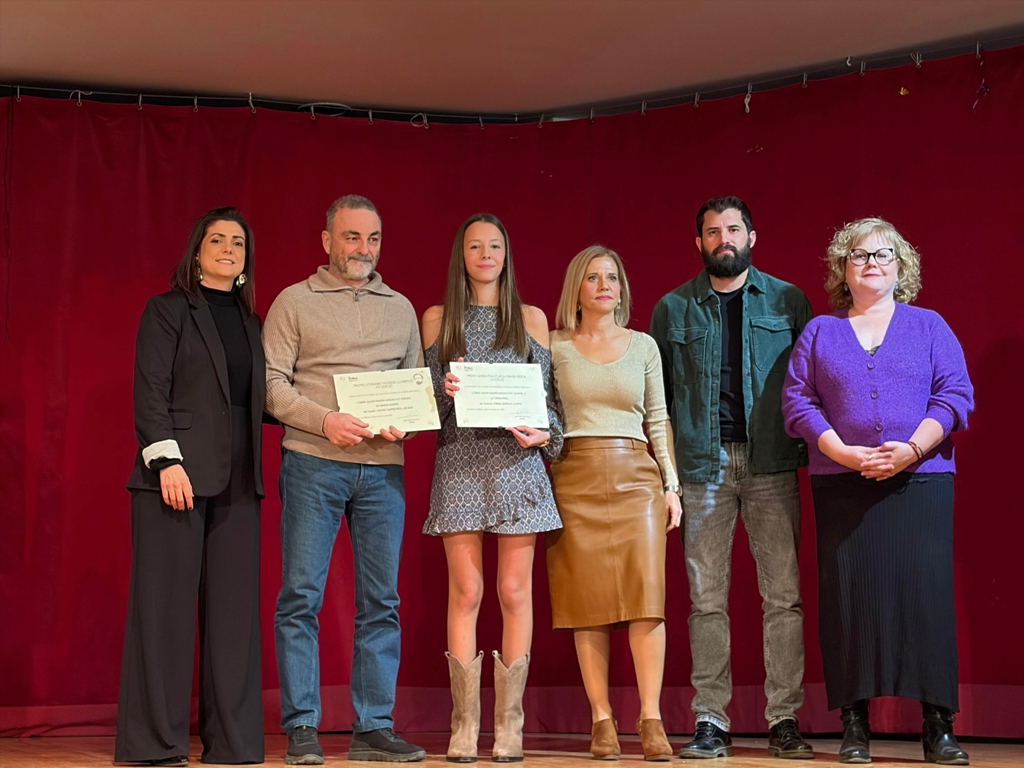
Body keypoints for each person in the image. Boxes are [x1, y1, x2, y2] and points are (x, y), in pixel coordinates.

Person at [782, 217, 973, 765]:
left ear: (901, 266)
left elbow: (955, 394)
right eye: (860, 255)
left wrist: (912, 449)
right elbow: (798, 402)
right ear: (843, 269)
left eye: (883, 255)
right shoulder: (819, 331)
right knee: (850, 602)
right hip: (842, 484)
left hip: (921, 483)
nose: (872, 263)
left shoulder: (930, 325)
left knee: (926, 603)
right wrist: (839, 451)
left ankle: (938, 726)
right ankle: (854, 725)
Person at [649, 196, 814, 760]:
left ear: (752, 236)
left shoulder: (789, 300)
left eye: (734, 229)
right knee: (706, 600)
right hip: (701, 466)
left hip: (771, 461)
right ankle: (710, 721)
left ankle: (784, 719)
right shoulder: (672, 310)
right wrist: (667, 474)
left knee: (783, 598)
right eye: (713, 231)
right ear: (699, 243)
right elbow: (661, 402)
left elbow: (807, 386)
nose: (724, 238)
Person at [264, 195, 426, 766]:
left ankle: (372, 728)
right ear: (327, 241)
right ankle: (303, 726)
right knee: (301, 597)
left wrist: (405, 421)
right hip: (313, 461)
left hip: (383, 470)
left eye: (373, 238)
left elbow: (414, 387)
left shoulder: (401, 308)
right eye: (352, 237)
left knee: (381, 601)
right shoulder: (293, 302)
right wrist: (325, 420)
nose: (363, 249)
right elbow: (273, 387)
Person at [116, 207, 266, 766]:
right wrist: (166, 463)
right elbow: (150, 390)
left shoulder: (253, 322)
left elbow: (261, 399)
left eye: (238, 242)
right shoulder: (167, 310)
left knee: (234, 622)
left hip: (239, 483)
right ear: (197, 250)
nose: (229, 248)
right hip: (172, 480)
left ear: (247, 258)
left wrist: (346, 413)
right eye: (217, 239)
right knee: (164, 615)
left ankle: (233, 744)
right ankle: (155, 746)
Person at [420, 213, 562, 763]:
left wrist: (546, 435)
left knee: (514, 592)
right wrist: (443, 386)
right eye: (475, 246)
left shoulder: (530, 318)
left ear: (507, 253)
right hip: (459, 461)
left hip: (516, 465)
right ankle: (464, 726)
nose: (485, 254)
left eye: (495, 245)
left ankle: (510, 726)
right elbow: (424, 407)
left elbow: (549, 402)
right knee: (467, 591)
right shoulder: (437, 318)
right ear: (461, 254)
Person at [545, 246, 682, 761]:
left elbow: (657, 418)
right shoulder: (553, 345)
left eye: (613, 278)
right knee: (589, 606)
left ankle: (651, 719)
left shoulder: (644, 345)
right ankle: (602, 720)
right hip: (574, 475)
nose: (605, 285)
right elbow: (544, 413)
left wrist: (671, 485)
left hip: (635, 477)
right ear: (576, 289)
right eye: (593, 277)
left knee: (647, 601)